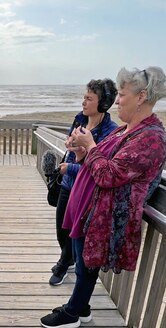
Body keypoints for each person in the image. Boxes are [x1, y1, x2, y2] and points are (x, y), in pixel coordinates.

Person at [41, 67, 166, 328]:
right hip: (88, 208)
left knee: (86, 265)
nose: (118, 100)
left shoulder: (151, 139)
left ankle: (73, 313)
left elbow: (109, 175)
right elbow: (95, 163)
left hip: (103, 214)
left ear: (141, 96)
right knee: (81, 263)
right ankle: (83, 307)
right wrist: (80, 152)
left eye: (122, 94)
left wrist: (90, 147)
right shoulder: (125, 130)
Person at [49, 79, 118, 286]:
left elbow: (99, 168)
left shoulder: (110, 131)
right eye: (84, 97)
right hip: (68, 184)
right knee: (61, 230)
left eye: (89, 98)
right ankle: (67, 258)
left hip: (86, 189)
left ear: (103, 103)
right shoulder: (80, 119)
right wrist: (69, 146)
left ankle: (63, 264)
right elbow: (73, 148)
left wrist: (69, 167)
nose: (83, 102)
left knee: (74, 232)